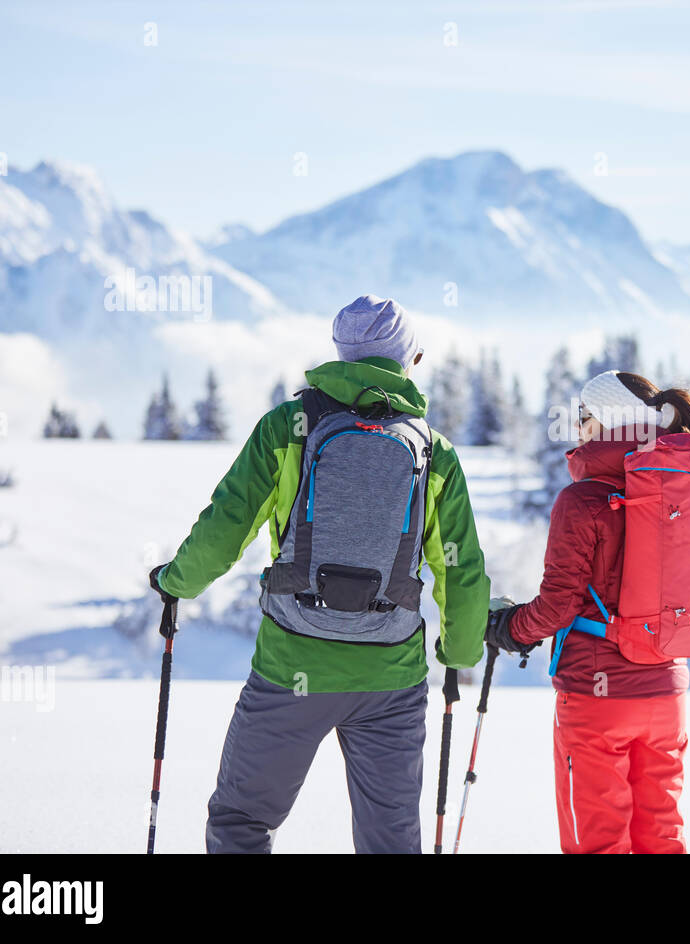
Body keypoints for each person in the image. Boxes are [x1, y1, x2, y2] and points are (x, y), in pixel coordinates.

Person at [149, 294, 489, 854]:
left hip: (291, 667)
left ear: (340, 352)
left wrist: (175, 582)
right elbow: (462, 568)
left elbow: (226, 526)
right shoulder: (434, 451)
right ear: (409, 361)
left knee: (242, 822)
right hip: (390, 677)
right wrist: (458, 654)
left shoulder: (289, 426)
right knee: (391, 843)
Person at [487, 369, 690, 854]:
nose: (578, 428)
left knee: (598, 842)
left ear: (609, 422)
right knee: (663, 836)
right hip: (666, 693)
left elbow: (558, 604)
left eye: (584, 417)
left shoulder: (582, 500)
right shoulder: (685, 492)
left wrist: (509, 628)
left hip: (596, 696)